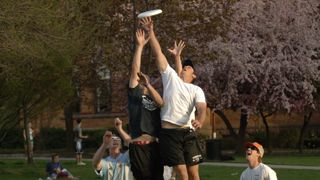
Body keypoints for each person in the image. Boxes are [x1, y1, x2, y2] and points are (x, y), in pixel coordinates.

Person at [140, 17, 207, 180]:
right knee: (183, 175)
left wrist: (200, 120)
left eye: (189, 67)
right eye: (184, 66)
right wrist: (151, 31)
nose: (185, 67)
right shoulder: (171, 78)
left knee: (194, 175)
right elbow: (158, 54)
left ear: (194, 75)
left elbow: (202, 108)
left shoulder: (196, 89)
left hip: (188, 133)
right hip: (170, 134)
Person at [114, 28, 164, 180]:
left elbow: (162, 102)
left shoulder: (156, 98)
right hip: (138, 146)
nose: (141, 79)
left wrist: (149, 85)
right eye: (139, 79)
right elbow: (135, 70)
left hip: (154, 147)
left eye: (145, 78)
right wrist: (140, 46)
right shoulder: (134, 95)